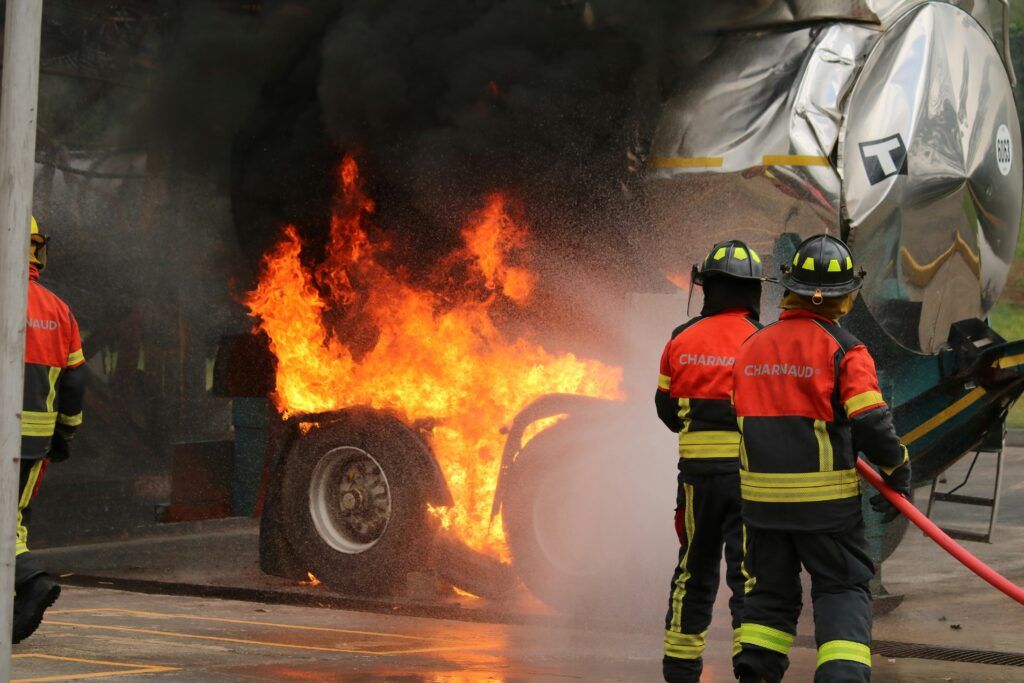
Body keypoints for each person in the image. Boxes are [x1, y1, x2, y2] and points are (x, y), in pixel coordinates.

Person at [731, 234, 911, 682]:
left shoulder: (751, 348)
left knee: (768, 598)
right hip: (826, 512)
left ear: (788, 288)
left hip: (761, 508)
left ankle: (755, 675)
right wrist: (898, 470)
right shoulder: (847, 351)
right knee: (843, 587)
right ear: (848, 295)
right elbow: (871, 421)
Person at [657, 240, 764, 683]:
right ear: (754, 291)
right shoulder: (762, 342)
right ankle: (751, 669)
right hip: (747, 482)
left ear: (706, 287)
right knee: (749, 577)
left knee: (693, 571)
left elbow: (666, 410)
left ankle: (680, 668)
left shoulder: (680, 338)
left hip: (697, 484)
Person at [14, 216, 85, 643]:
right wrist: (65, 434)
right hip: (34, 443)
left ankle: (31, 580)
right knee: (13, 520)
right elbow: (75, 381)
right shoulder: (59, 310)